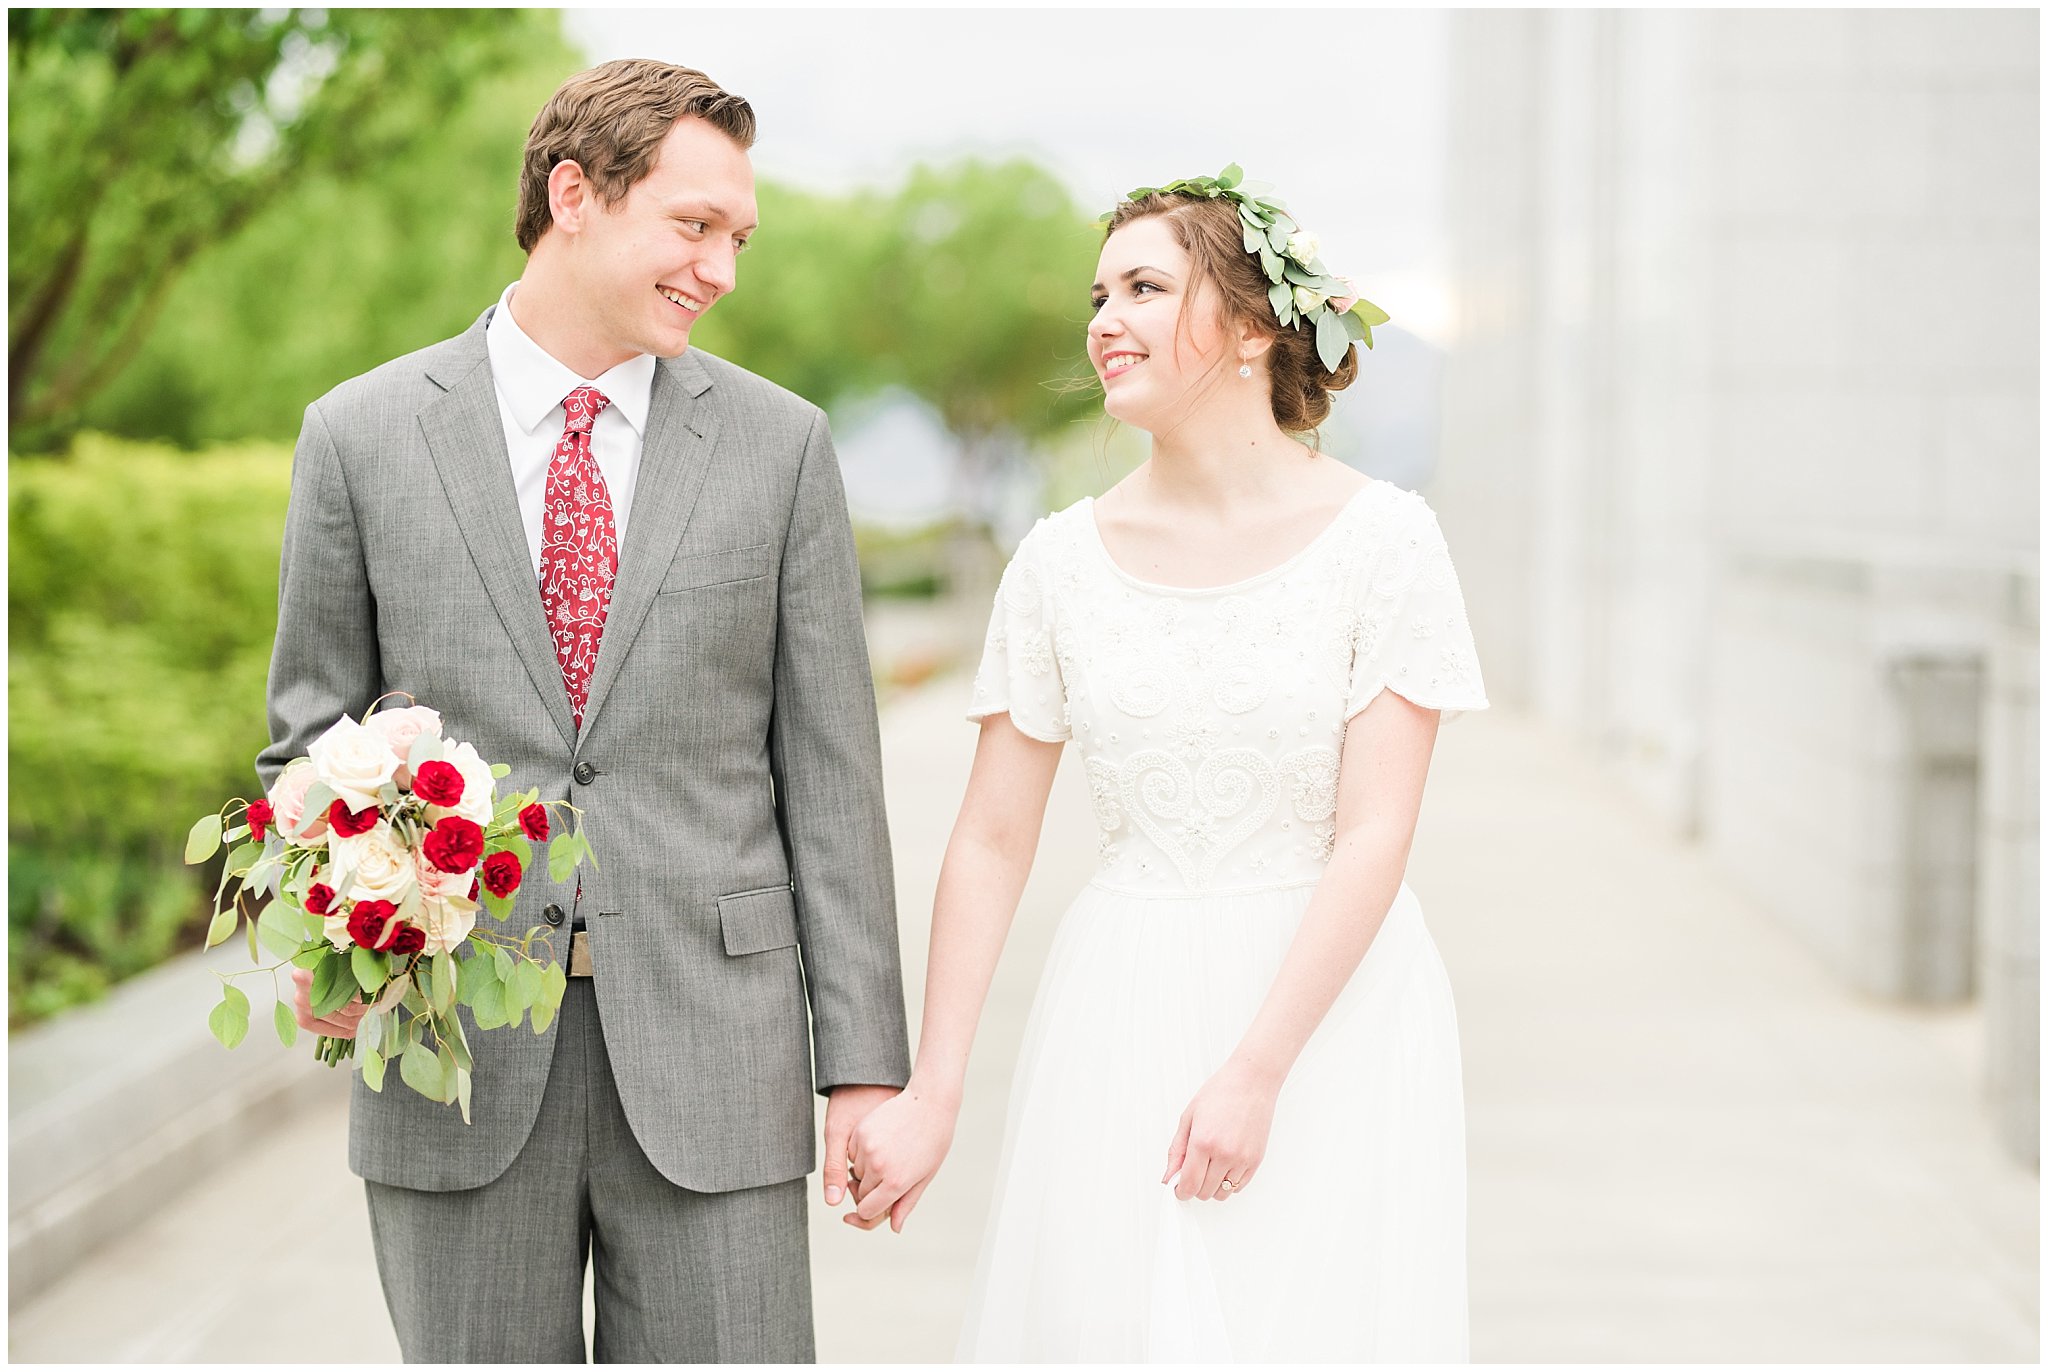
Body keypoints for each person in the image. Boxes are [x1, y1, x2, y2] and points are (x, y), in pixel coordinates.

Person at [259, 59, 910, 1362]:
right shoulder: (362, 437)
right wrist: (328, 928)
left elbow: (830, 779)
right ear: (575, 194)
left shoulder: (782, 451)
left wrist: (865, 1069)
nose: (722, 266)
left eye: (739, 236)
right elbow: (309, 737)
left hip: (718, 1059)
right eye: (695, 225)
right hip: (455, 1055)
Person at [840, 172, 1488, 1361]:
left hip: (1332, 1018)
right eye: (1099, 292)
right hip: (1119, 1005)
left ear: (1250, 327)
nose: (1104, 319)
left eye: (1144, 286)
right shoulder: (1056, 565)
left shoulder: (1383, 541)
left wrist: (1256, 1068)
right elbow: (989, 840)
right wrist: (932, 1091)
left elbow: (1373, 831)